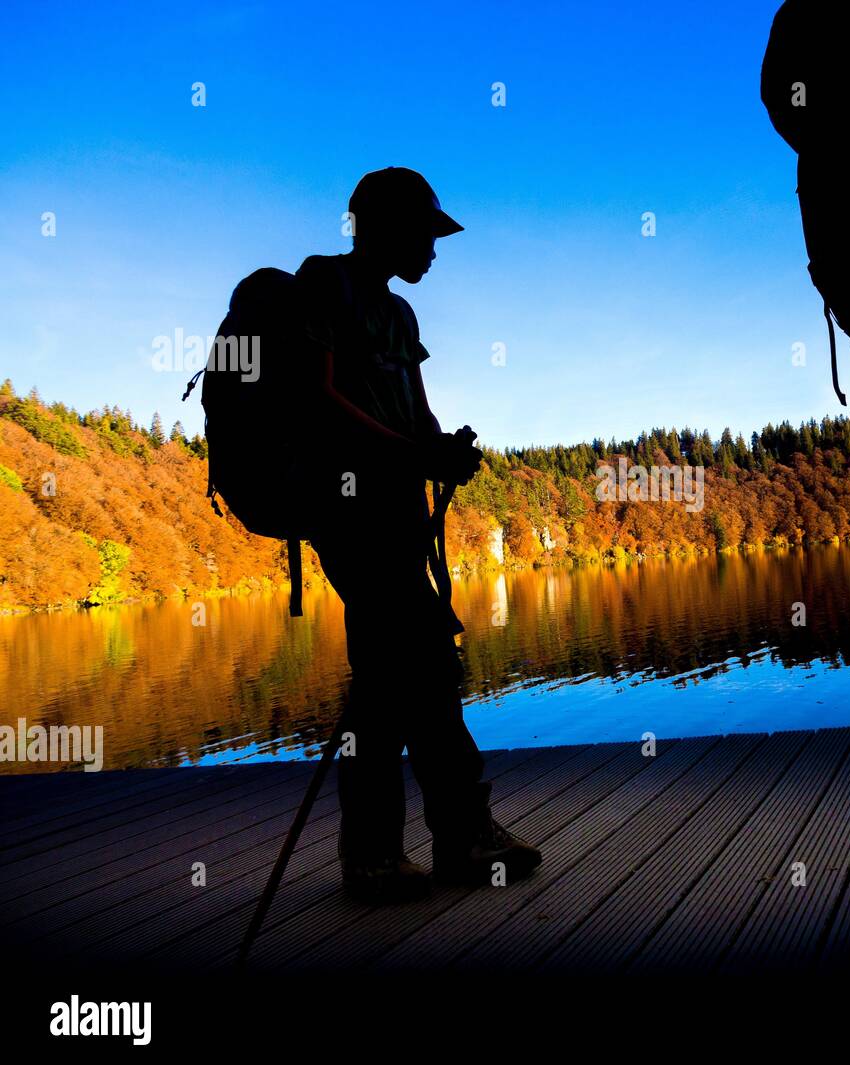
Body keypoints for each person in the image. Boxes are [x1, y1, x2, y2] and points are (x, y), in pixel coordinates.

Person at [296, 166, 541, 902]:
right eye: (424, 234)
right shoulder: (322, 285)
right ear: (380, 227)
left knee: (390, 677)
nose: (434, 250)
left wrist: (441, 452)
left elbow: (417, 413)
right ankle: (442, 838)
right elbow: (318, 399)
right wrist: (412, 453)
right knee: (418, 665)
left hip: (398, 511)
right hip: (346, 511)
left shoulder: (402, 319)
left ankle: (388, 850)